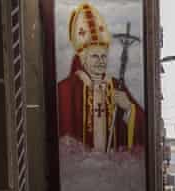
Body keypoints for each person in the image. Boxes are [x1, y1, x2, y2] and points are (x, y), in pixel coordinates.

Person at [57, 3, 147, 152]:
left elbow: (144, 127)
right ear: (83, 59)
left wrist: (129, 110)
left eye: (104, 56)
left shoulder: (116, 85)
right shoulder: (66, 89)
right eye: (95, 56)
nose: (101, 61)